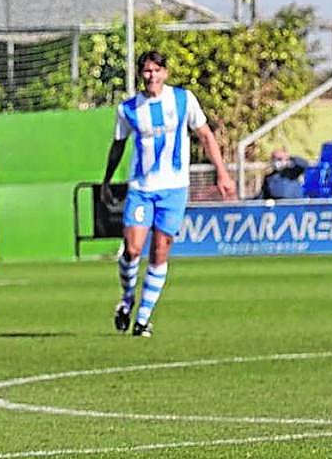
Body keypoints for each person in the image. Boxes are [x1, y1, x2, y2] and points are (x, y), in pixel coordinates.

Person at [101, 49, 236, 338]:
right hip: (141, 188)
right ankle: (127, 299)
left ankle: (143, 320)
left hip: (174, 189)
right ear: (141, 74)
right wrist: (107, 181)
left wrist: (222, 172)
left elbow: (205, 135)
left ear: (165, 73)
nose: (152, 76)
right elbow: (118, 145)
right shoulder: (128, 109)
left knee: (160, 250)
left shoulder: (183, 99)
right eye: (147, 71)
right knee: (133, 249)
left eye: (156, 70)